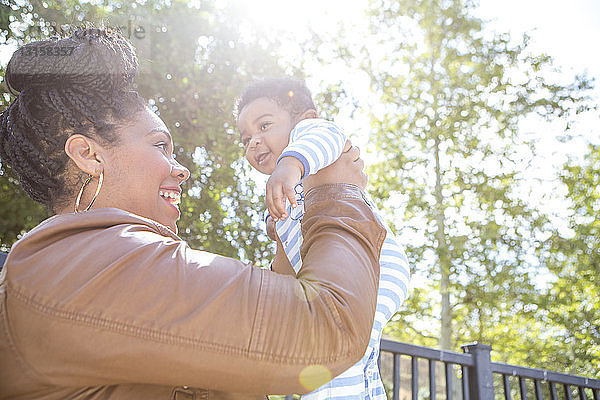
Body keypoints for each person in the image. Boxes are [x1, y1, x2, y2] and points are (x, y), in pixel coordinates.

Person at [0, 28, 386, 399]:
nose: (181, 168)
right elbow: (327, 327)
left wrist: (289, 245)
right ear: (89, 155)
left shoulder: (89, 264)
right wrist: (336, 191)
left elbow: (273, 358)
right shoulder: (91, 267)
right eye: (160, 145)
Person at [235, 78, 410, 399]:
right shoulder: (284, 191)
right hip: (343, 275)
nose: (253, 142)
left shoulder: (309, 142)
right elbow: (286, 265)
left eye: (264, 126)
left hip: (371, 263)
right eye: (245, 139)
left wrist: (290, 163)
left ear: (304, 120)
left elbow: (325, 136)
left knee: (331, 350)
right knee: (355, 357)